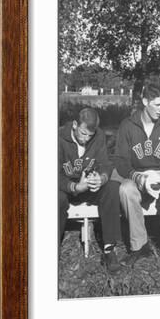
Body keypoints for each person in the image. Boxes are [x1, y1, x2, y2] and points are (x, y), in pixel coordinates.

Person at [113, 84, 160, 285]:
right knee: (125, 189)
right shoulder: (128, 125)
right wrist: (136, 177)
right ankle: (140, 246)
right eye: (157, 104)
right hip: (139, 175)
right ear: (145, 102)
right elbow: (120, 160)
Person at [59, 107, 122, 273]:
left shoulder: (99, 136)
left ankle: (109, 249)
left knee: (112, 188)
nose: (86, 139)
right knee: (56, 198)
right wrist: (73, 187)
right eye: (82, 133)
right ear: (74, 125)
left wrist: (101, 178)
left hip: (88, 186)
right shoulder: (58, 137)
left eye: (90, 135)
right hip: (66, 187)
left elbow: (106, 164)